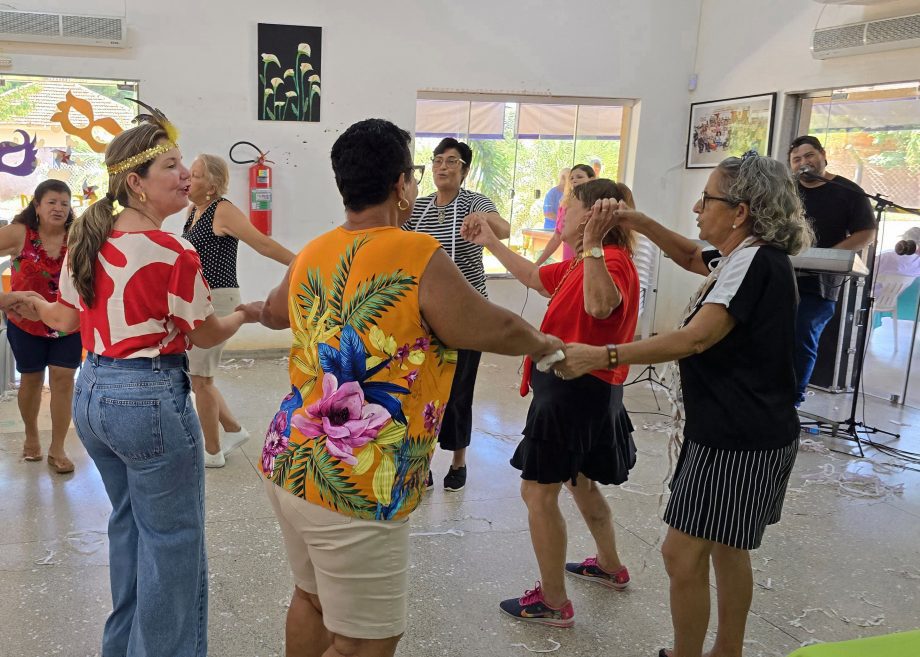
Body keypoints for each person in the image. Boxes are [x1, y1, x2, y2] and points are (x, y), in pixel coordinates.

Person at [255, 118, 561, 657]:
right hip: (356, 482)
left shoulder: (314, 250)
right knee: (366, 642)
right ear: (402, 184)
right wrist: (548, 345)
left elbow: (277, 314)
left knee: (311, 600)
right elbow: (495, 326)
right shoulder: (415, 253)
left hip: (289, 462)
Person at [19, 108, 262, 657]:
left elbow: (69, 319)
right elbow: (202, 335)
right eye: (172, 166)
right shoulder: (175, 253)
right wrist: (247, 313)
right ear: (135, 183)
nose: (185, 177)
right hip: (149, 398)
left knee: (130, 528)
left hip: (93, 395)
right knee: (174, 543)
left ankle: (122, 647)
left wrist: (34, 302)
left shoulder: (87, 240)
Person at [555, 154, 812, 657]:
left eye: (708, 198)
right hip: (747, 430)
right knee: (728, 549)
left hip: (735, 438)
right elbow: (692, 256)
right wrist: (638, 221)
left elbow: (696, 339)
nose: (696, 207)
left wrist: (603, 355)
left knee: (681, 553)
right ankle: (726, 650)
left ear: (739, 212)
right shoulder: (747, 256)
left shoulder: (756, 263)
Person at [463, 179, 639, 628]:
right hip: (585, 393)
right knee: (578, 481)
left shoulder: (609, 261)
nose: (561, 216)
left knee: (536, 492)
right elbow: (532, 277)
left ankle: (554, 602)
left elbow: (602, 308)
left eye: (569, 207)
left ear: (593, 216)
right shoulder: (581, 262)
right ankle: (609, 564)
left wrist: (596, 246)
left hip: (574, 392)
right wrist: (488, 242)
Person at [402, 136, 511, 491]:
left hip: (467, 314)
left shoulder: (474, 202)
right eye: (437, 161)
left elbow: (505, 229)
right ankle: (425, 458)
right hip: (425, 315)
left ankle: (459, 460)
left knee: (459, 391)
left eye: (451, 161)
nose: (442, 167)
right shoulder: (419, 207)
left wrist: (483, 221)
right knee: (424, 389)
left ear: (464, 169)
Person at [184, 154, 295, 468]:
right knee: (197, 377)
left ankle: (212, 450)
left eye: (194, 175)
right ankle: (232, 430)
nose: (186, 180)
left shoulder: (222, 209)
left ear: (213, 184)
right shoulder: (193, 210)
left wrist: (301, 263)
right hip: (199, 299)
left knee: (201, 379)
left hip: (218, 299)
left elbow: (262, 243)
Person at [0, 180, 80, 473]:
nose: (59, 208)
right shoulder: (19, 234)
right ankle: (31, 435)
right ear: (37, 205)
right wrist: (5, 298)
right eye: (52, 202)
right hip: (26, 324)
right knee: (31, 380)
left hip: (68, 323)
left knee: (62, 380)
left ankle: (58, 448)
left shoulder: (78, 236)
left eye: (64, 203)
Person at [788, 135, 875, 405]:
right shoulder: (784, 190)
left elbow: (867, 232)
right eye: (797, 159)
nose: (804, 163)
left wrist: (828, 255)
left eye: (809, 155)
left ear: (824, 156)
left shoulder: (848, 191)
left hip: (822, 282)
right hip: (783, 273)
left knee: (802, 332)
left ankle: (792, 400)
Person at [534, 164, 596, 265]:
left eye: (579, 177)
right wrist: (537, 264)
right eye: (571, 178)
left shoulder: (596, 205)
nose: (574, 180)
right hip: (568, 260)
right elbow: (556, 238)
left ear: (592, 179)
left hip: (589, 260)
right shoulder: (564, 205)